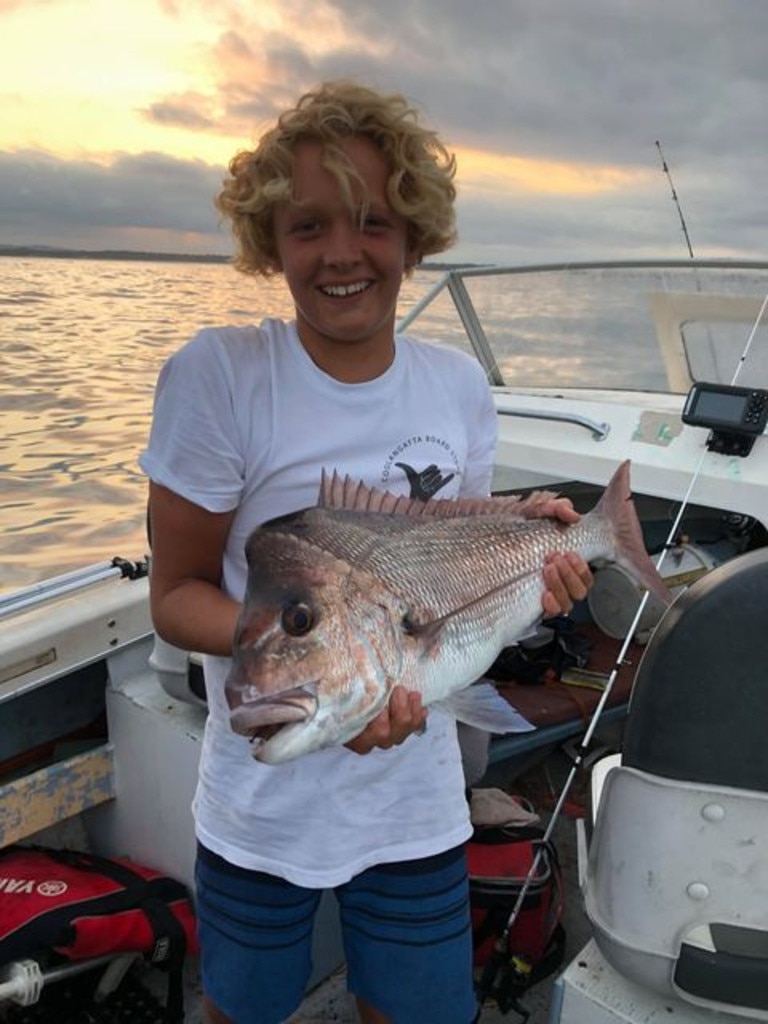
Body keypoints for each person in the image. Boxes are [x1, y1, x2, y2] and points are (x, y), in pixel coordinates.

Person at [140, 80, 593, 1024]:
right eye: (307, 227)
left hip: (415, 802)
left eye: (373, 223)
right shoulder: (222, 378)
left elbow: (455, 569)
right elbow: (175, 593)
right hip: (259, 806)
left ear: (415, 238)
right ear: (271, 243)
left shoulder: (458, 384)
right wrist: (327, 658)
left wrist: (532, 561)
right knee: (240, 1009)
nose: (342, 254)